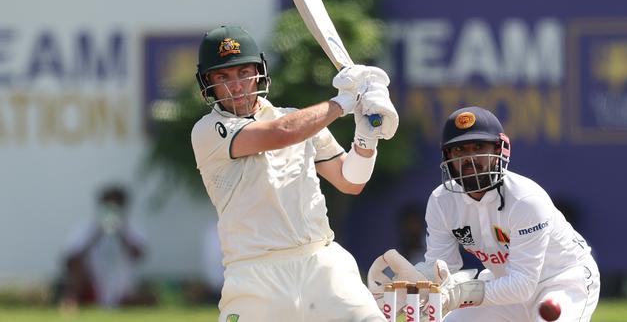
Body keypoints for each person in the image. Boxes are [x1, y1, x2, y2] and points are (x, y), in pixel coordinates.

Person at [191, 25, 398, 321]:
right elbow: (280, 133)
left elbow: (350, 181)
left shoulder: (298, 119)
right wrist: (343, 103)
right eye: (222, 77)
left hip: (321, 264)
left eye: (243, 73)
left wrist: (366, 137)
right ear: (206, 84)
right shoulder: (208, 131)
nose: (235, 86)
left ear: (259, 73)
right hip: (254, 274)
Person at [369, 106, 600, 321]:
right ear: (448, 158)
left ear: (499, 150)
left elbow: (523, 285)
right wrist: (412, 284)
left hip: (561, 282)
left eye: (479, 147)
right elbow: (443, 268)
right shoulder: (441, 201)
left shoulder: (526, 200)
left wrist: (459, 294)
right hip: (501, 285)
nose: (469, 158)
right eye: (460, 149)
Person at [59, 185, 153, 309]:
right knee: (78, 269)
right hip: (91, 285)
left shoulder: (133, 229)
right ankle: (70, 304)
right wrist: (96, 234)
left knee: (150, 299)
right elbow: (70, 261)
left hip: (122, 287)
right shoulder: (84, 228)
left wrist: (121, 233)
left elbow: (138, 256)